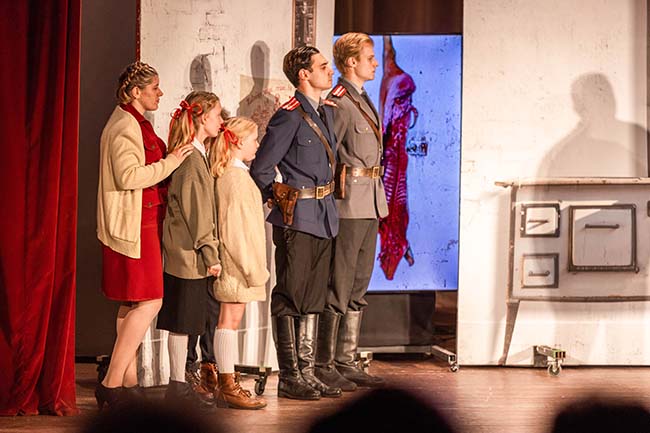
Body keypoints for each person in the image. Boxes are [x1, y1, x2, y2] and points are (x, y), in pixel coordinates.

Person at [96, 61, 194, 409]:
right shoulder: (124, 125)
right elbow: (129, 176)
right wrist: (172, 161)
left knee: (134, 301)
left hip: (143, 220)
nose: (160, 93)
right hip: (134, 224)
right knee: (151, 301)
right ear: (136, 92)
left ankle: (128, 382)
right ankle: (111, 383)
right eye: (154, 88)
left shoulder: (137, 122)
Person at [250, 45, 341, 400]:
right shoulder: (288, 116)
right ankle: (290, 376)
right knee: (290, 296)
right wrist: (277, 198)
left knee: (314, 297)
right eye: (323, 66)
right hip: (298, 218)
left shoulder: (324, 112)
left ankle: (307, 371)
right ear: (304, 74)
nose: (329, 71)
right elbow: (261, 168)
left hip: (324, 216)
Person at [315, 33, 388, 391]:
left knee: (359, 283)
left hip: (370, 200)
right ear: (351, 63)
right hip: (348, 204)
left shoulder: (361, 98)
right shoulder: (340, 102)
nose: (375, 63)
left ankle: (346, 359)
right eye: (369, 58)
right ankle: (325, 362)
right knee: (340, 284)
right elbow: (328, 155)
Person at [156, 91, 223, 410]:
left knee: (183, 321)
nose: (221, 121)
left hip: (185, 251)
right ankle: (177, 386)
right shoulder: (192, 160)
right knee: (182, 322)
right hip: (187, 253)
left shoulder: (197, 154)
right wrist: (211, 254)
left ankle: (179, 385)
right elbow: (198, 213)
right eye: (218, 115)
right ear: (203, 118)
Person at [209, 116, 270, 410]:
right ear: (238, 142)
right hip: (237, 265)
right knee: (228, 322)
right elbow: (234, 230)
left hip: (240, 264)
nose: (257, 145)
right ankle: (227, 385)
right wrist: (250, 268)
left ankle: (228, 382)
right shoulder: (234, 179)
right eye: (253, 140)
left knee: (231, 321)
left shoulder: (236, 175)